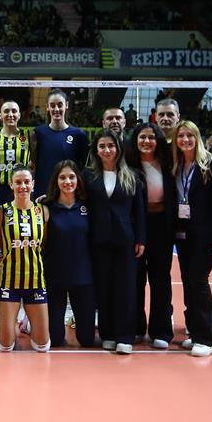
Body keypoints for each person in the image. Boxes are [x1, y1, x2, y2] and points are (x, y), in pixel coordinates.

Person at [171, 121, 212, 357]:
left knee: (198, 279)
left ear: (197, 137)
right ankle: (195, 333)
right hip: (182, 232)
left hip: (207, 234)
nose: (185, 139)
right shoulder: (175, 164)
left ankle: (206, 339)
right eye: (181, 136)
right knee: (188, 281)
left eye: (190, 135)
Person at [87, 133, 146, 354]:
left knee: (126, 289)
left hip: (125, 240)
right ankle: (108, 333)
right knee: (104, 288)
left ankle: (125, 336)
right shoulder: (88, 176)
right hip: (98, 240)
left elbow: (139, 210)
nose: (107, 150)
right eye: (102, 146)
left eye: (111, 145)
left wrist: (141, 238)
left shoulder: (133, 176)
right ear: (96, 150)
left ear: (118, 149)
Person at [126, 122, 174, 349]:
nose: (147, 141)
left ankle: (161, 330)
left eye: (151, 137)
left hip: (162, 226)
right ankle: (136, 327)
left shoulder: (168, 163)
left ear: (158, 141)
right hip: (136, 226)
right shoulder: (128, 165)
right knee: (135, 279)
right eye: (142, 137)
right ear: (135, 141)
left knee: (161, 279)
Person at [0, 166, 49, 352]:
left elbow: (44, 242)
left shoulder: (42, 211)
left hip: (35, 282)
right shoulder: (2, 211)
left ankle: (27, 321)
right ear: (11, 185)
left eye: (26, 182)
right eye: (18, 182)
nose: (22, 186)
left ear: (33, 184)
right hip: (9, 282)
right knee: (6, 345)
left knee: (42, 345)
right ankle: (3, 322)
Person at [41, 161, 96, 348]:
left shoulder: (88, 206)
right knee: (55, 339)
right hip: (55, 277)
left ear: (78, 180)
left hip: (83, 278)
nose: (67, 182)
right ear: (56, 181)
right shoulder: (46, 207)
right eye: (62, 177)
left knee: (87, 340)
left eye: (71, 177)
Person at [31, 90, 89, 199]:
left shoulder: (78, 135)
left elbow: (82, 168)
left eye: (60, 105)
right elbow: (33, 164)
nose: (56, 109)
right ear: (47, 107)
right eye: (52, 105)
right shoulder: (38, 133)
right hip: (43, 193)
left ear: (66, 105)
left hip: (68, 195)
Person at [0, 99, 30, 206]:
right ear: (0, 115)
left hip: (21, 189)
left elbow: (34, 163)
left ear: (19, 115)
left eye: (14, 111)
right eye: (6, 111)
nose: (10, 114)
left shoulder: (29, 136)